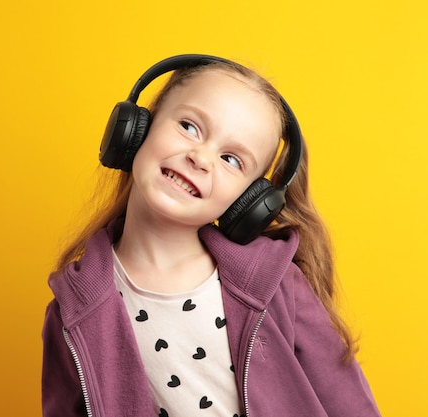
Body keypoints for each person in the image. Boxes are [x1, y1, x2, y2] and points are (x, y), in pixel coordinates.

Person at [41, 54, 381, 417]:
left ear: (250, 202)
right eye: (189, 126)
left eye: (232, 160)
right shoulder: (74, 310)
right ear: (138, 128)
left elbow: (349, 402)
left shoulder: (276, 282)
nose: (200, 157)